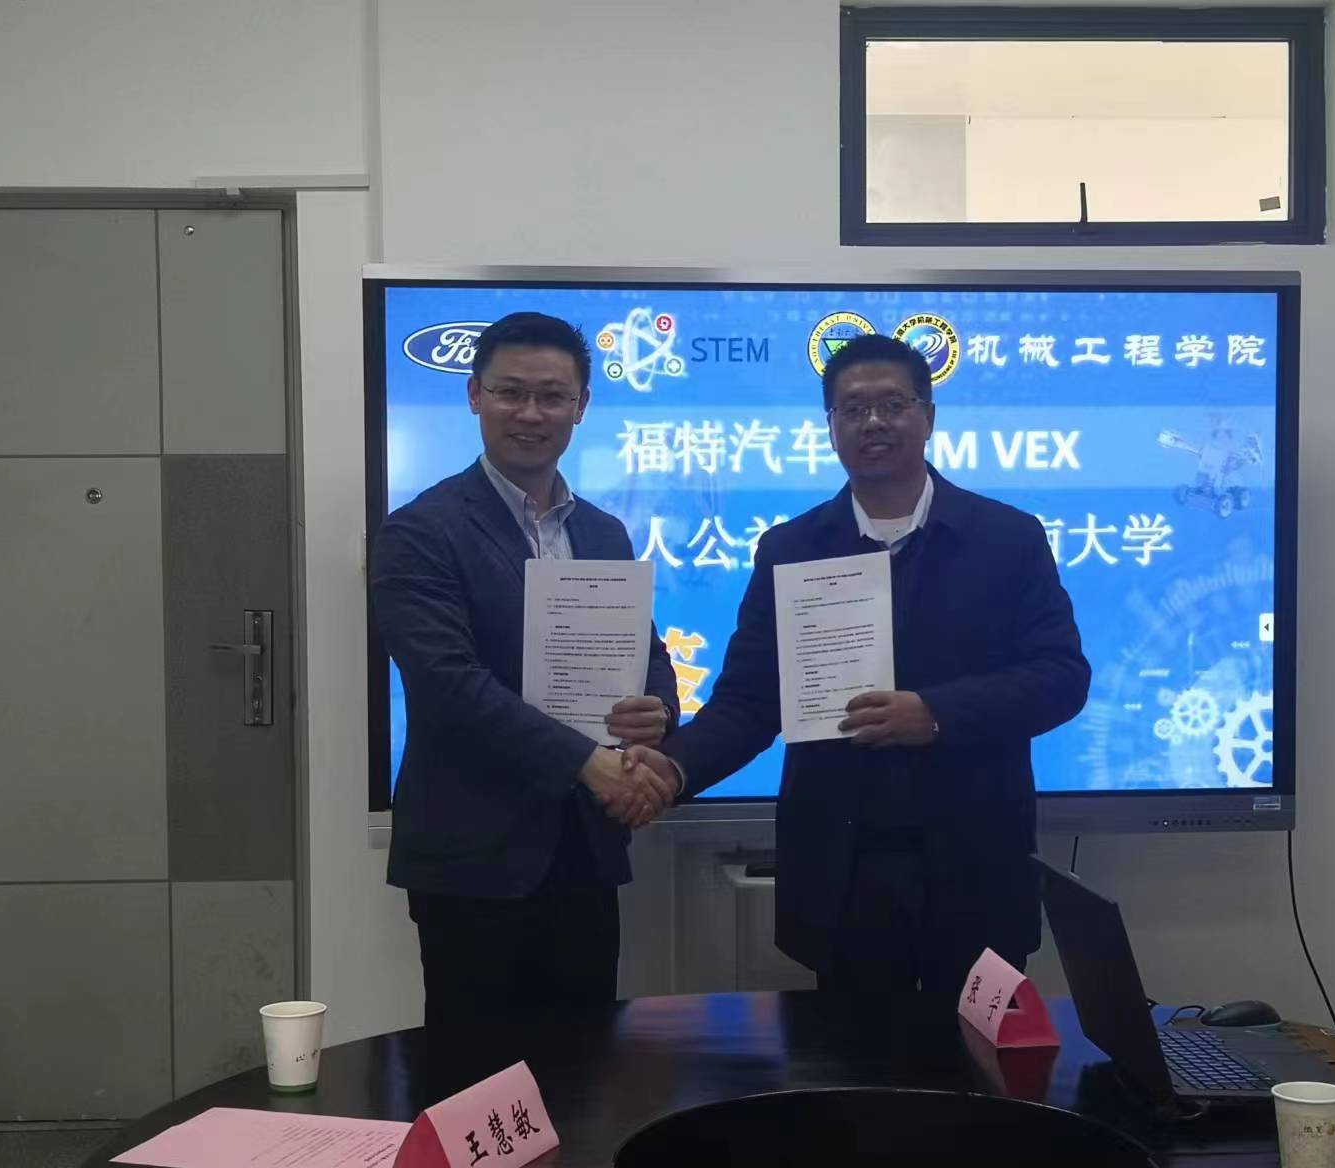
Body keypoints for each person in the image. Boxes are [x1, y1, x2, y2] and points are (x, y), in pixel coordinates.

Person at [628, 333, 1090, 995]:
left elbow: (1061, 677)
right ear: (831, 426)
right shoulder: (793, 549)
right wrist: (672, 767)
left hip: (976, 863)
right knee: (853, 1059)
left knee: (979, 1059)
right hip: (843, 872)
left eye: (893, 405)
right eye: (853, 409)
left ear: (928, 417)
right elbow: (751, 701)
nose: (874, 422)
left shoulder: (1006, 538)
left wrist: (935, 714)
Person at [370, 312, 679, 1033]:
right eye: (511, 392)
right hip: (474, 859)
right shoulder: (420, 530)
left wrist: (656, 716)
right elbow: (449, 685)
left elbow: (646, 651)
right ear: (474, 395)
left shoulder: (602, 531)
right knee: (478, 1074)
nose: (531, 413)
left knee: (587, 1064)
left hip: (585, 849)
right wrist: (588, 763)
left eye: (552, 396)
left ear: (581, 406)